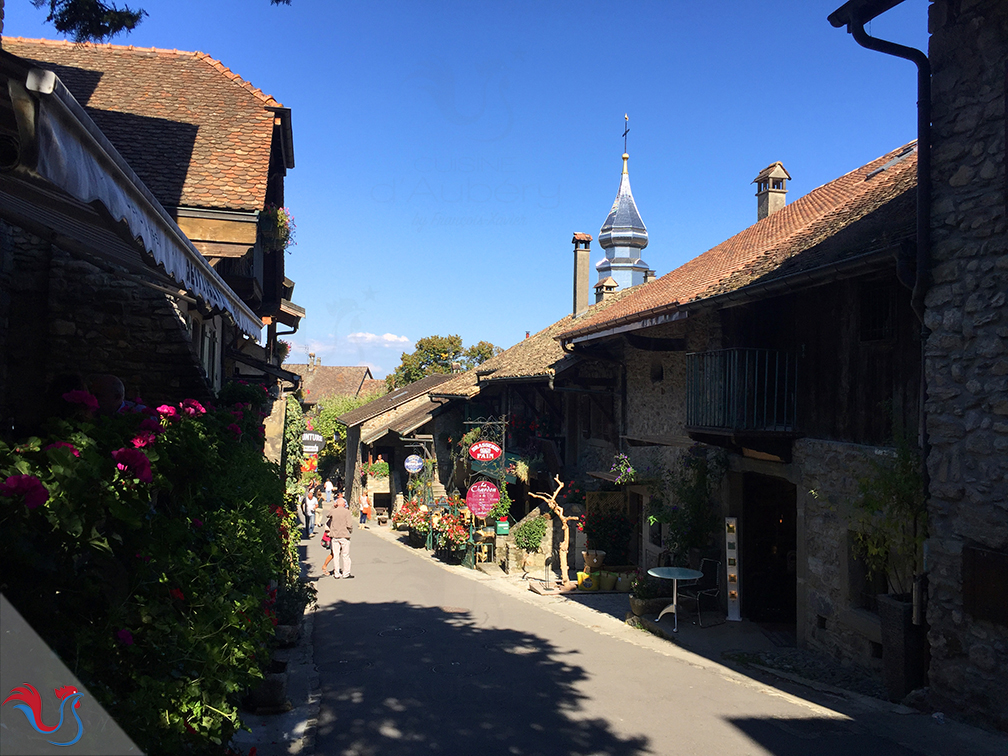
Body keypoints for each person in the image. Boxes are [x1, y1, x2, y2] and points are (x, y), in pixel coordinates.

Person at [328, 495, 354, 579]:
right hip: (344, 535)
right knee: (345, 555)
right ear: (343, 504)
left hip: (335, 536)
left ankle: (336, 573)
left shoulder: (334, 511)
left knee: (336, 555)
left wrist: (333, 506)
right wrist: (350, 530)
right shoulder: (347, 512)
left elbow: (328, 515)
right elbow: (349, 524)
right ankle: (346, 573)